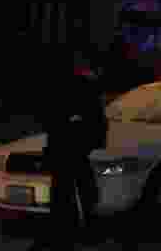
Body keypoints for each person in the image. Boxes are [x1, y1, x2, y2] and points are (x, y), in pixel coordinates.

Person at [31, 49, 108, 251]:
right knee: (71, 191)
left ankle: (72, 232)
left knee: (70, 191)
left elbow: (93, 120)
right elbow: (92, 121)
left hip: (70, 147)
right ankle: (73, 232)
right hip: (68, 147)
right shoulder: (79, 86)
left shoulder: (79, 86)